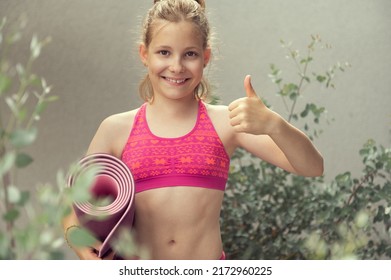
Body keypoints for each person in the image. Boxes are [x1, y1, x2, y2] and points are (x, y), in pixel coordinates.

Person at [62, 0, 323, 260]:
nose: (176, 66)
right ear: (144, 54)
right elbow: (72, 210)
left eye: (190, 54)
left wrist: (274, 125)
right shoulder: (116, 130)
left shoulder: (225, 123)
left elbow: (313, 167)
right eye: (164, 52)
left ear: (205, 57)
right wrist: (81, 246)